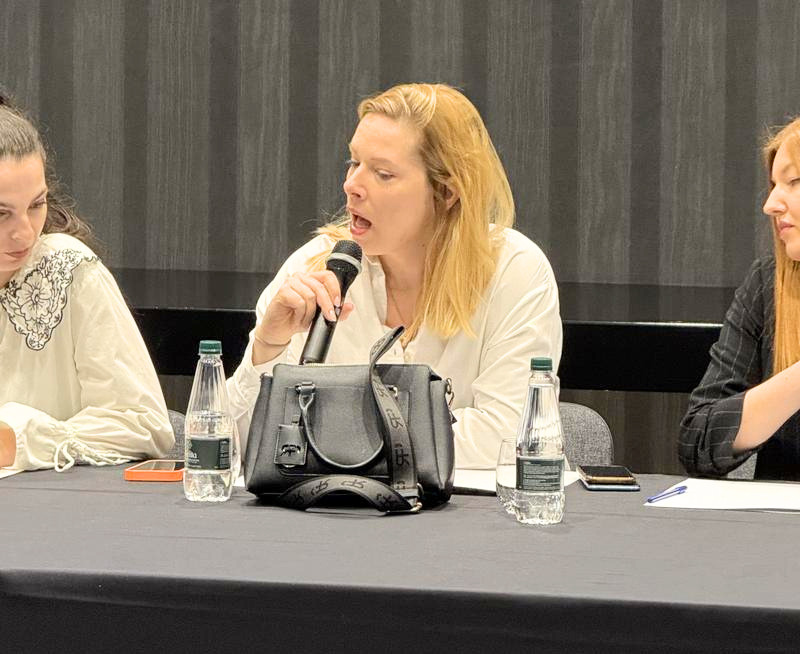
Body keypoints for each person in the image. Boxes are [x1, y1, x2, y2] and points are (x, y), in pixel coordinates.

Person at [228, 83, 561, 469]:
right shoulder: (314, 269)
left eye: (383, 174)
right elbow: (240, 442)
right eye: (353, 163)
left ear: (447, 191)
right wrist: (267, 346)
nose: (351, 186)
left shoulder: (514, 272)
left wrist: (329, 434)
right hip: (335, 516)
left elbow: (505, 437)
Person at [0, 92, 173, 471]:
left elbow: (144, 424)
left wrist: (21, 438)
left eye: (36, 205)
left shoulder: (69, 270)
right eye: (1, 214)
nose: (24, 233)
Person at [679, 115, 800, 480]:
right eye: (773, 184)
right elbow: (698, 442)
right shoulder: (768, 285)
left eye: (794, 182)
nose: (771, 205)